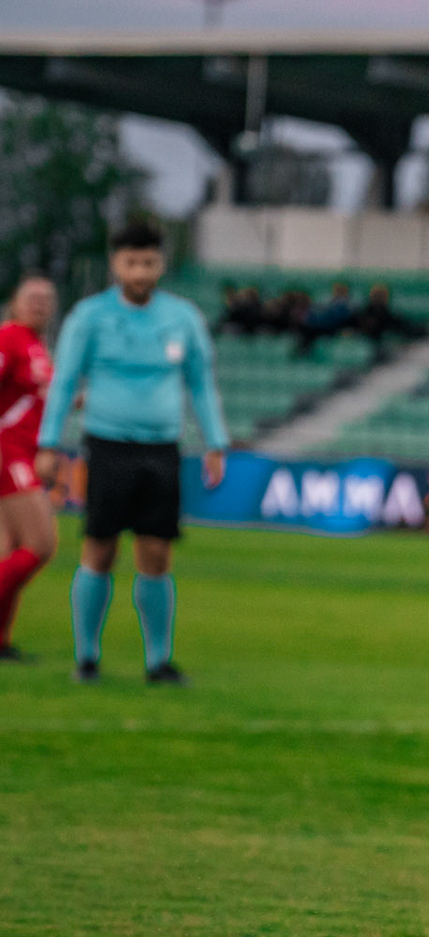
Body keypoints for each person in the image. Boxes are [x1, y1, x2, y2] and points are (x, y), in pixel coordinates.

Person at [35, 220, 228, 684]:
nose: (140, 272)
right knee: (99, 549)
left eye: (149, 262)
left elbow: (200, 383)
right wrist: (48, 443)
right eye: (131, 262)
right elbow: (64, 383)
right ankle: (86, 657)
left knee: (157, 553)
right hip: (107, 445)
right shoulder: (89, 317)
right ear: (115, 264)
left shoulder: (183, 317)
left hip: (162, 449)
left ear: (161, 264)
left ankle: (158, 661)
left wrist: (215, 442)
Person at [0, 276, 59, 662]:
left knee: (8, 551)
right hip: (8, 452)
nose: (39, 304)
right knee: (40, 544)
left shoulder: (36, 346)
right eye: (32, 297)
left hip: (21, 450)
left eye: (47, 299)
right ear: (15, 302)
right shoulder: (9, 338)